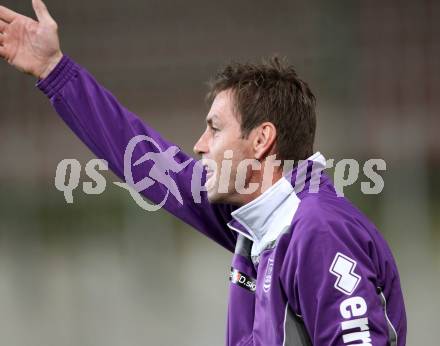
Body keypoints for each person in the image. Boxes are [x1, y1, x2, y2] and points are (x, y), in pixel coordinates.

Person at [0, 1, 407, 345]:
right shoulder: (260, 217)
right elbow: (144, 160)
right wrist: (54, 70)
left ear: (261, 139)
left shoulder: (318, 230)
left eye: (214, 128)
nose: (199, 144)